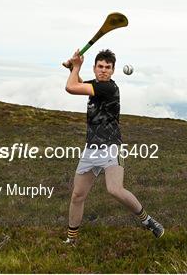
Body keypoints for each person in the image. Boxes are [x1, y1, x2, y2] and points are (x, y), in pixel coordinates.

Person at [63, 48, 164, 244]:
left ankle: (148, 221)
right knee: (77, 195)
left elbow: (71, 88)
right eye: (100, 67)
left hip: (111, 147)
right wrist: (72, 69)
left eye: (108, 68)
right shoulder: (95, 85)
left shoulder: (108, 88)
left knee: (115, 190)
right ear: (94, 69)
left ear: (113, 71)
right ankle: (72, 239)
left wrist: (75, 65)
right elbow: (78, 83)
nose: (103, 70)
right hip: (91, 148)